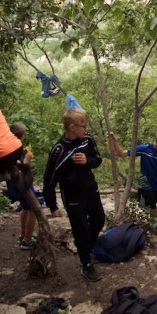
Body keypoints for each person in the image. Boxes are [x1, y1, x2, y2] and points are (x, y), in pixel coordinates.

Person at [43, 108, 105, 282]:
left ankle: (87, 247)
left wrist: (87, 161)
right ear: (71, 127)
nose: (85, 129)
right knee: (80, 229)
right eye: (82, 125)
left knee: (99, 219)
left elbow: (97, 159)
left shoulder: (87, 139)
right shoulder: (59, 150)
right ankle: (86, 263)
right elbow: (49, 179)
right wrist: (53, 206)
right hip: (72, 194)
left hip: (90, 188)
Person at [108, 131, 157, 218]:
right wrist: (114, 140)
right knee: (152, 213)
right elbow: (122, 153)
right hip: (146, 188)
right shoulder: (145, 149)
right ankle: (153, 229)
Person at [7, 122, 37, 250]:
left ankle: (24, 235)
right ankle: (27, 241)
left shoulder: (8, 147)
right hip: (20, 183)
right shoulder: (13, 148)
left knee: (25, 207)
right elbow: (21, 170)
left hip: (14, 184)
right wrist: (27, 159)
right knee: (34, 209)